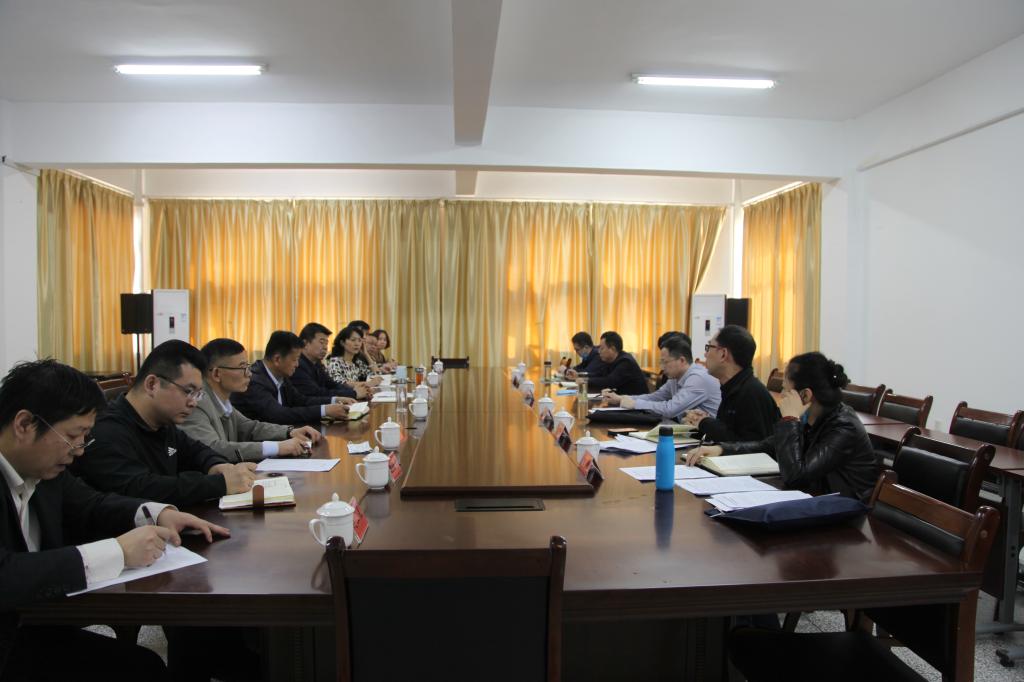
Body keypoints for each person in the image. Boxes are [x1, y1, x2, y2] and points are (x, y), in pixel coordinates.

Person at [0, 359, 228, 682]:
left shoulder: (44, 469)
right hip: (11, 644)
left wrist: (159, 513)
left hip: (37, 624)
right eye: (74, 436)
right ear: (24, 424)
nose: (80, 450)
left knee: (145, 666)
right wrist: (118, 552)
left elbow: (92, 504)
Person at [73, 341, 259, 508]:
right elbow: (141, 488)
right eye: (188, 391)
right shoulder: (106, 431)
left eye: (198, 394)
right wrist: (219, 484)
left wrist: (217, 465)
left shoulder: (163, 421)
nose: (193, 402)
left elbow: (196, 451)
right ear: (152, 384)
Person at [687, 352, 880, 500]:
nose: (782, 396)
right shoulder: (811, 416)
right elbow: (768, 445)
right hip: (817, 499)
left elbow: (795, 476)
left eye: (786, 390)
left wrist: (790, 420)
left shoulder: (843, 427)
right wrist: (721, 449)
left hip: (848, 513)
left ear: (805, 395)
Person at [180, 338, 324, 463]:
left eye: (248, 366)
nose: (249, 374)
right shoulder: (197, 402)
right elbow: (213, 448)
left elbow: (249, 427)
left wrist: (289, 432)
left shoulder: (221, 399)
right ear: (217, 373)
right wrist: (277, 447)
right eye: (242, 367)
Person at [683, 325, 780, 442]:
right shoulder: (733, 386)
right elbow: (731, 432)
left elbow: (751, 446)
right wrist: (704, 421)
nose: (705, 354)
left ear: (723, 354)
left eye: (708, 347)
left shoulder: (751, 393)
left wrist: (705, 423)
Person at [232, 331, 353, 424]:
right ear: (277, 359)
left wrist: (334, 400)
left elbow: (301, 401)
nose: (297, 364)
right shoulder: (254, 381)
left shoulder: (281, 375)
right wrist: (324, 410)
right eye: (295, 359)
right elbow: (278, 415)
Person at [602, 336, 720, 420]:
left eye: (665, 362)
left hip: (710, 440)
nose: (662, 368)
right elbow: (655, 397)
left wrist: (635, 404)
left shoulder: (698, 378)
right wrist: (621, 398)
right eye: (661, 362)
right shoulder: (675, 377)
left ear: (682, 360)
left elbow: (670, 409)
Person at [292, 322, 359, 400]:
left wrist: (354, 391)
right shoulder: (297, 365)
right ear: (305, 343)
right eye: (321, 342)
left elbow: (332, 384)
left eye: (326, 343)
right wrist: (354, 393)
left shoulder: (317, 364)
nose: (325, 347)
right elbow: (316, 393)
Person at [565, 331, 647, 395]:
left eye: (602, 348)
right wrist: (579, 375)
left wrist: (585, 380)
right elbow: (599, 374)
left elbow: (609, 381)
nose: (599, 351)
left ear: (612, 349)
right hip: (622, 403)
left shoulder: (625, 362)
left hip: (637, 407)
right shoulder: (610, 360)